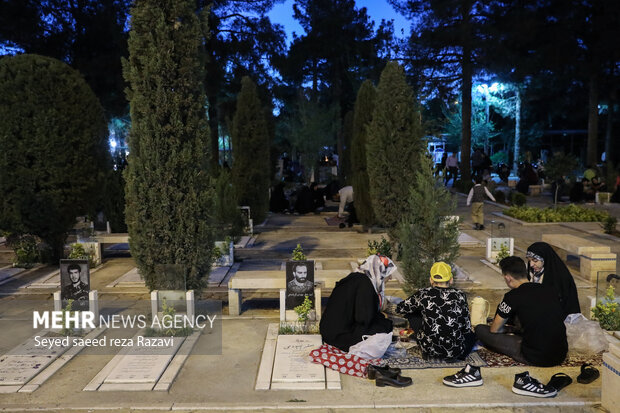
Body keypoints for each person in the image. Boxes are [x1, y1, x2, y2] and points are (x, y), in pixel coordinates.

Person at [475, 256, 568, 370]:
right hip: (560, 354)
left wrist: (508, 329)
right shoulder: (549, 289)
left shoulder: (512, 296)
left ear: (508, 278)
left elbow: (494, 329)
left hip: (535, 356)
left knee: (480, 329)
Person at [396, 262, 476, 361]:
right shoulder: (460, 295)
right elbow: (466, 327)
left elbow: (400, 308)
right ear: (451, 280)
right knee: (474, 335)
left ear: (431, 280)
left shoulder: (424, 294)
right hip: (456, 351)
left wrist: (420, 310)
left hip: (429, 349)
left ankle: (425, 341)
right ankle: (459, 355)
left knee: (412, 314)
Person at [319, 255, 395, 352]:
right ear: (380, 271)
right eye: (389, 273)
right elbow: (363, 318)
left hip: (328, 331)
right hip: (339, 337)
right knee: (385, 326)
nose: (391, 277)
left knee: (382, 321)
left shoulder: (356, 277)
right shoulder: (365, 284)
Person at [526, 242, 580, 318]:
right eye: (529, 260)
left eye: (535, 260)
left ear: (545, 258)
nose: (531, 264)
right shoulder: (531, 272)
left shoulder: (561, 276)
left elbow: (568, 304)